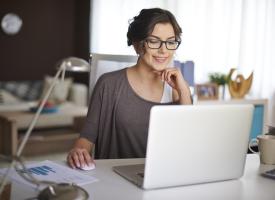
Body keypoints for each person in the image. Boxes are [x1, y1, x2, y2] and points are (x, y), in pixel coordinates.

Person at [67, 8, 192, 169]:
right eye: (154, 41)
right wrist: (78, 152)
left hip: (165, 178)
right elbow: (87, 138)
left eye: (170, 41)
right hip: (116, 180)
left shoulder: (179, 88)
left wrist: (183, 92)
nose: (164, 50)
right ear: (137, 45)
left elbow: (188, 143)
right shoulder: (109, 84)